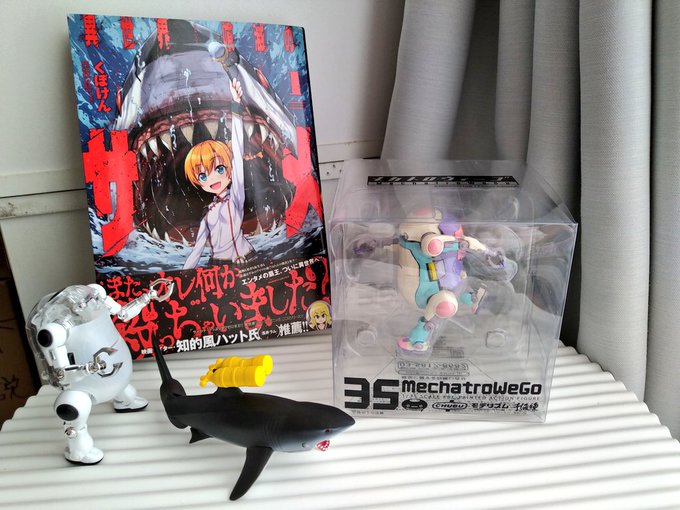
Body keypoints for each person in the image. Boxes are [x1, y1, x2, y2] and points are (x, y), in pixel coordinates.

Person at [183, 78, 254, 268]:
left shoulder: (236, 196)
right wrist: (179, 278)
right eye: (203, 176)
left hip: (249, 260)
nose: (212, 178)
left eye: (219, 169)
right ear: (199, 182)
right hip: (219, 267)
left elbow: (237, 148)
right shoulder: (207, 217)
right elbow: (196, 252)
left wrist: (236, 105)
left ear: (229, 171)